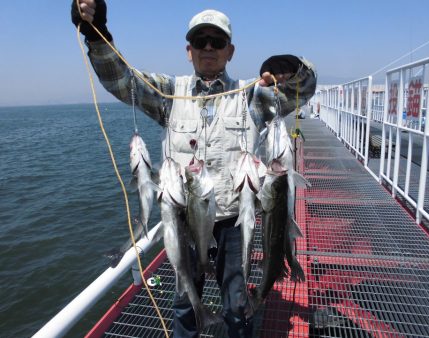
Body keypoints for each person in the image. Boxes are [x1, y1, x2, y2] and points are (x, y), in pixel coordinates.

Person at [71, 1, 317, 337]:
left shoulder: (251, 96)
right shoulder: (169, 94)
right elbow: (121, 80)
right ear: (189, 51)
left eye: (217, 42)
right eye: (200, 41)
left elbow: (301, 90)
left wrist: (291, 68)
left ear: (230, 50)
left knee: (235, 301)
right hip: (184, 221)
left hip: (234, 222)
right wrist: (96, 33)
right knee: (185, 301)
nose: (208, 48)